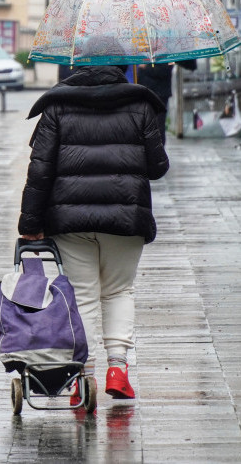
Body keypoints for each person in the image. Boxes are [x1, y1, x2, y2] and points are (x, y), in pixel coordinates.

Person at [18, 62, 169, 403]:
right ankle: (118, 369)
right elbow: (158, 167)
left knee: (82, 295)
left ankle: (82, 379)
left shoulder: (56, 105)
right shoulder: (141, 103)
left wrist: (29, 224)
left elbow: (39, 171)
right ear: (120, 67)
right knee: (118, 291)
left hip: (71, 221)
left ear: (76, 65)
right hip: (126, 218)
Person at [137, 62, 174, 145]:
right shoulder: (147, 53)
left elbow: (164, 70)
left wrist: (146, 67)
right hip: (145, 93)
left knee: (158, 125)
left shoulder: (166, 54)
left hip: (159, 94)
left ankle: (158, 149)